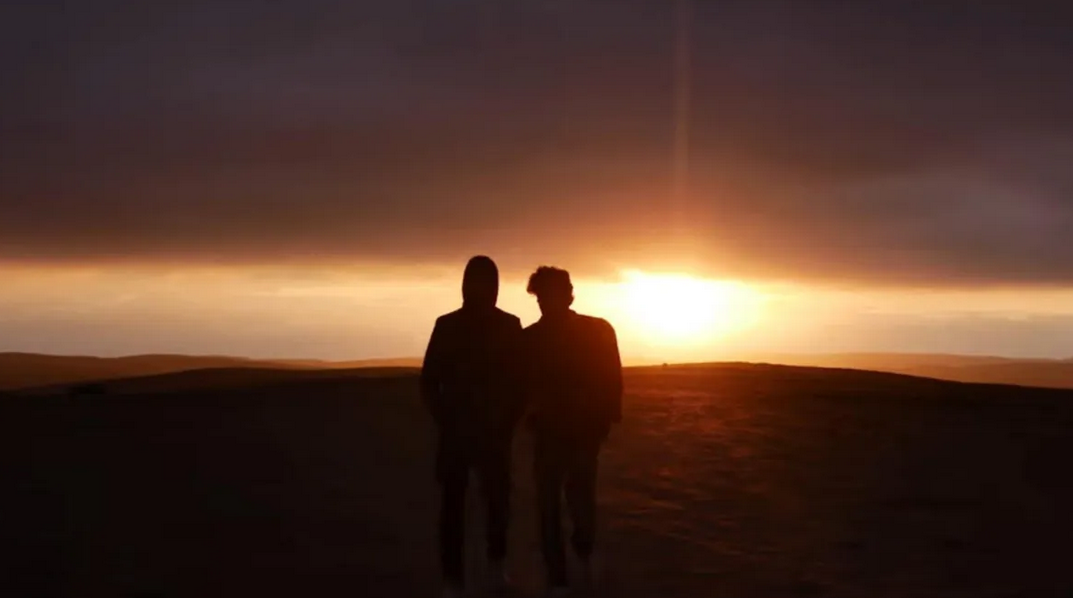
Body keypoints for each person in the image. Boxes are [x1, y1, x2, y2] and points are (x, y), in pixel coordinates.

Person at [420, 256, 524, 598]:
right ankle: (454, 580)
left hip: (493, 433)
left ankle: (494, 570)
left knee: (496, 506)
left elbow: (521, 383)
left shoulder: (509, 325)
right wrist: (445, 418)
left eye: (486, 281)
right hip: (459, 433)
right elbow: (429, 381)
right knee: (454, 509)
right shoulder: (447, 325)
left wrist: (508, 421)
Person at [522, 266, 623, 595]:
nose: (544, 303)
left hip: (577, 431)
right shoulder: (535, 338)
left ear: (567, 296)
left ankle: (576, 562)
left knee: (572, 502)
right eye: (541, 297)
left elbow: (611, 377)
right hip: (558, 432)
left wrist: (606, 418)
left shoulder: (595, 331)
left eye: (547, 296)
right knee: (558, 503)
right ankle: (563, 574)